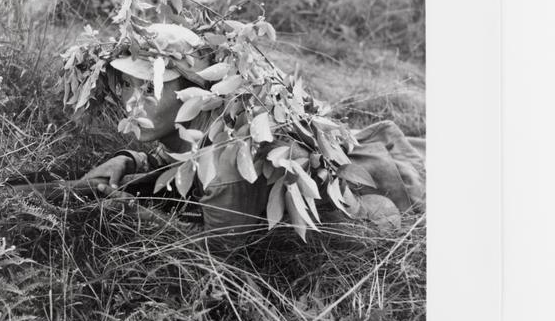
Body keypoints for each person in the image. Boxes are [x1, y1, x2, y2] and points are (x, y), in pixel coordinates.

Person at [78, 22, 425, 238]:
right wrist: (130, 161)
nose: (131, 102)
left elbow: (213, 260)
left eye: (149, 87)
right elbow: (175, 159)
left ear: (192, 87)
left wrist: (127, 210)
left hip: (368, 206)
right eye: (125, 85)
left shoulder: (229, 165)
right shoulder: (197, 122)